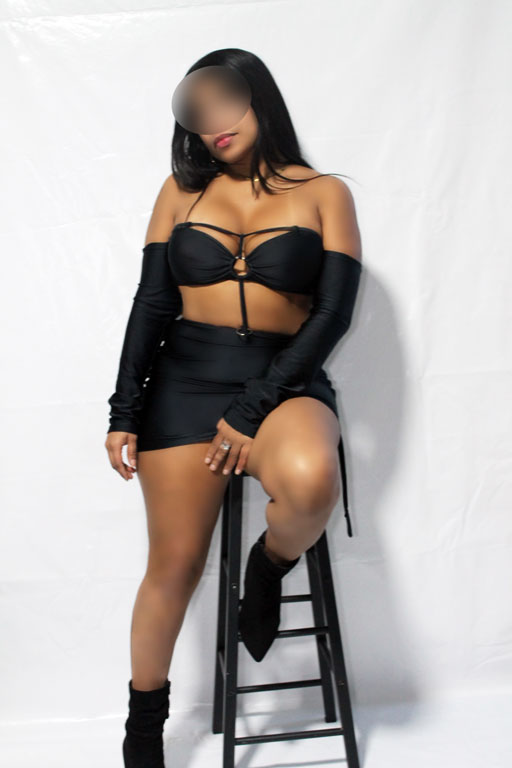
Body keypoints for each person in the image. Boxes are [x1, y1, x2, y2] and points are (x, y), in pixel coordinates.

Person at [105, 48, 363, 768]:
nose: (214, 123)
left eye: (227, 101)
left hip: (283, 382)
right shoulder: (179, 193)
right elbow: (152, 304)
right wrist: (124, 409)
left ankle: (269, 564)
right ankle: (143, 730)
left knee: (311, 483)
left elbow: (332, 315)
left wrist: (255, 405)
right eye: (198, 111)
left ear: (260, 99)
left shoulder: (324, 193)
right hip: (185, 381)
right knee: (174, 564)